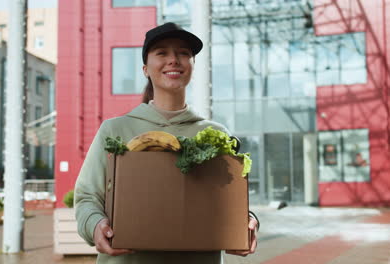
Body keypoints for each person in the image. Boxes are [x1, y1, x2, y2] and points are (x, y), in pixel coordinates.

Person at [74, 22, 259, 264]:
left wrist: (248, 220)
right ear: (145, 69)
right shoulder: (115, 130)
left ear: (192, 65)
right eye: (162, 52)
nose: (174, 60)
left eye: (183, 53)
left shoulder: (217, 134)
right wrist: (96, 224)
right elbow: (87, 196)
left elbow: (228, 200)